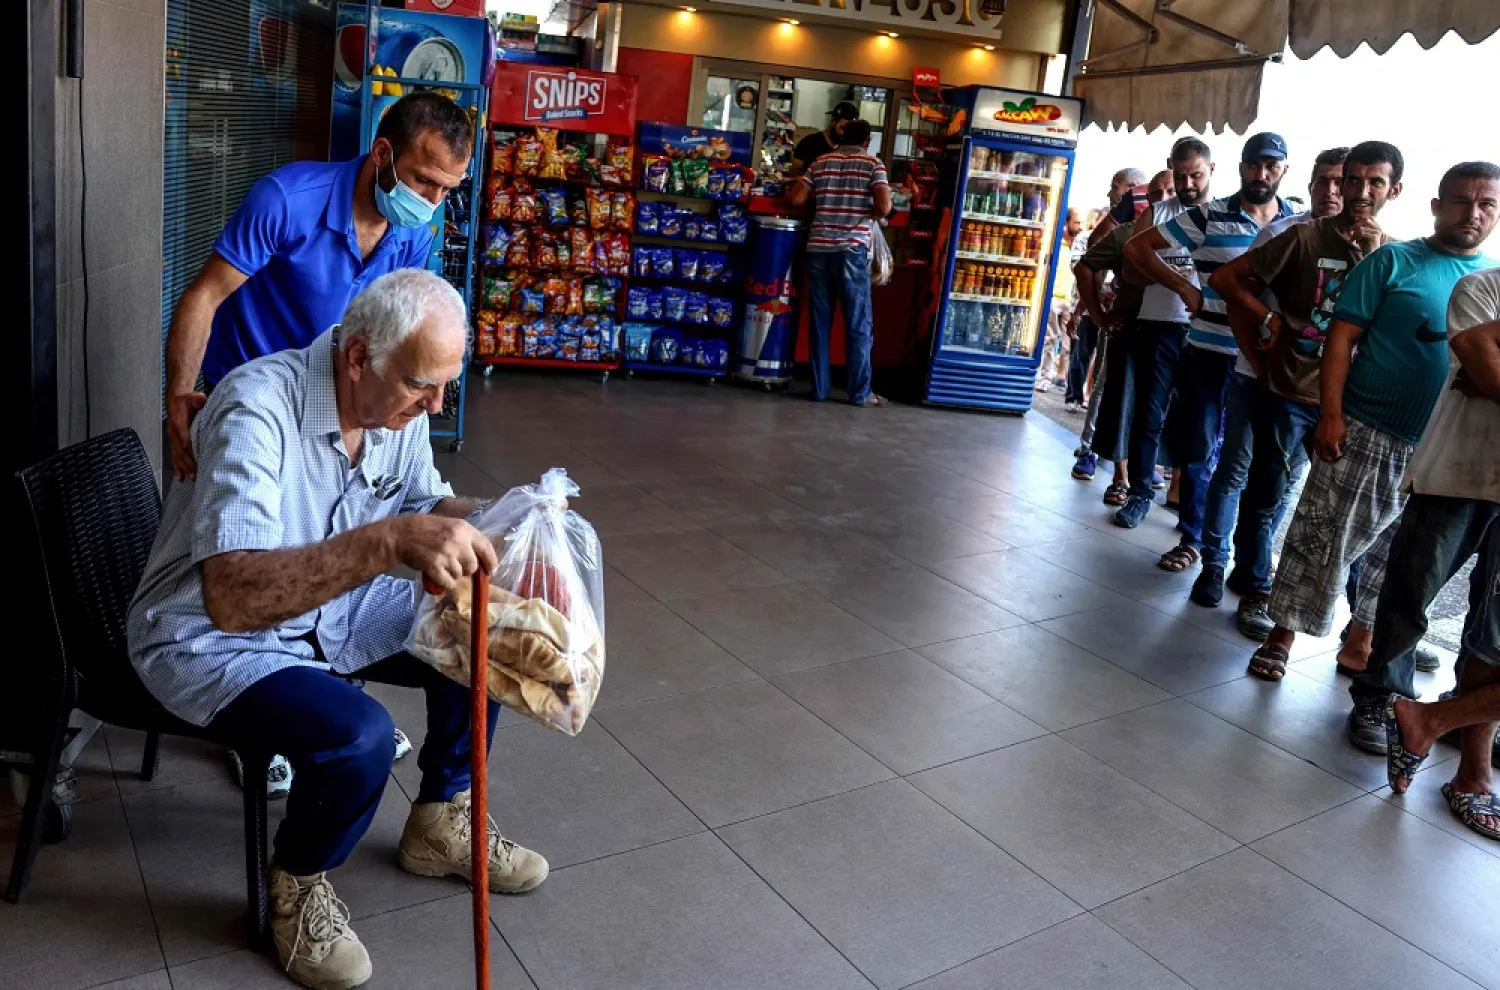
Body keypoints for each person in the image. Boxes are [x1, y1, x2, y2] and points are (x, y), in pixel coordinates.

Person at [128, 270, 549, 990]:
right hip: (212, 637)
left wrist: (508, 519)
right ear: (358, 358)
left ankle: (442, 816)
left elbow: (422, 500)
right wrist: (388, 543)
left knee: (489, 631)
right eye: (423, 385)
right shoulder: (255, 410)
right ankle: (296, 882)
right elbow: (233, 598)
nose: (434, 406)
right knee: (358, 736)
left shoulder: (396, 406)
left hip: (333, 607)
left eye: (446, 385)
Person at [163, 91, 473, 795]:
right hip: (257, 409)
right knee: (231, 563)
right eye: (424, 181)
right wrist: (178, 398)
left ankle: (321, 700)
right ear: (383, 154)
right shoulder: (289, 198)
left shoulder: (412, 232)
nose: (431, 201)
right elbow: (207, 294)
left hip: (340, 410)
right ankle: (257, 720)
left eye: (448, 190)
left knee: (329, 550)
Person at [1241, 162, 1500, 684]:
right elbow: (1340, 340)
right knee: (1322, 535)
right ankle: (1281, 635)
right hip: (1367, 426)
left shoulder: (1491, 281)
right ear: (1436, 205)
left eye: (1486, 204)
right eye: (1460, 201)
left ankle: (1360, 646)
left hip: (1436, 445)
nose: (1472, 213)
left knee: (1396, 557)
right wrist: (1332, 415)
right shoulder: (1393, 261)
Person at [1206, 142, 1404, 652]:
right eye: (1347, 181)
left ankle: (1362, 624)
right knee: (1269, 492)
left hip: (1357, 401)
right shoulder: (1303, 238)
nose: (1356, 193)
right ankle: (1254, 588)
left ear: (1393, 190)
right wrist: (1269, 326)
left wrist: (1376, 254)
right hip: (1292, 389)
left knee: (1354, 514)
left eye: (1370, 183)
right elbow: (1227, 281)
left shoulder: (1395, 254)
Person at [1120, 133, 1296, 558]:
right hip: (1208, 352)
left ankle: (1243, 556)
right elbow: (1138, 248)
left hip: (1261, 361)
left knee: (1253, 462)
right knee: (1199, 448)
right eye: (1254, 164)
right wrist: (1183, 286)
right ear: (1239, 167)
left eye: (1271, 165)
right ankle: (1193, 539)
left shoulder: (1297, 224)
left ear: (1284, 169)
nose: (1262, 173)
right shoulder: (1207, 216)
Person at [1188, 146, 1350, 596]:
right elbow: (1235, 293)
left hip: (1313, 391)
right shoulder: (1285, 233)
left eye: (1343, 182)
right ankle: (1215, 565)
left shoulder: (1366, 244)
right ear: (1309, 182)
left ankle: (1251, 569)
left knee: (1284, 483)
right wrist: (1259, 357)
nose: (1332, 191)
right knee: (1235, 471)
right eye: (1324, 180)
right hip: (1254, 377)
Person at [1374, 265, 1499, 841]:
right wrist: (1482, 365)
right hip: (1459, 469)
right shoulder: (1482, 288)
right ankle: (1380, 698)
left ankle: (1463, 753)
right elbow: (1477, 360)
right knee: (1413, 592)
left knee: (1490, 634)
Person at [1072, 170, 1172, 484]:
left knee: (1156, 401)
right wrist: (1097, 313)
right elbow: (1087, 260)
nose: (1167, 197)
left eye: (1173, 189)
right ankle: (1109, 466)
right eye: (1158, 191)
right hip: (1126, 326)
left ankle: (1145, 467)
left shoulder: (1196, 232)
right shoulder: (1127, 229)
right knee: (1111, 391)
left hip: (1170, 334)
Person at [787, 118, 893, 407]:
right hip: (850, 249)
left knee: (820, 321)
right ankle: (859, 393)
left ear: (841, 137)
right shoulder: (873, 165)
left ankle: (819, 389)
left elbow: (797, 199)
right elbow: (885, 207)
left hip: (818, 248)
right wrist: (868, 210)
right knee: (858, 323)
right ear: (867, 142)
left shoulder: (820, 161)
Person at [1040, 208, 1084, 397]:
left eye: (1081, 223)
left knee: (1067, 345)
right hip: (1054, 298)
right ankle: (1044, 378)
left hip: (1070, 300)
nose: (1079, 227)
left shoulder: (1079, 247)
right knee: (1050, 340)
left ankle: (1061, 377)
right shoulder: (1056, 246)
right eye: (1076, 222)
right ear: (1067, 223)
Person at [790, 100, 859, 174]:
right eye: (842, 128)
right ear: (833, 120)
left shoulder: (848, 148)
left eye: (849, 130)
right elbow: (795, 174)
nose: (844, 133)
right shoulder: (809, 142)